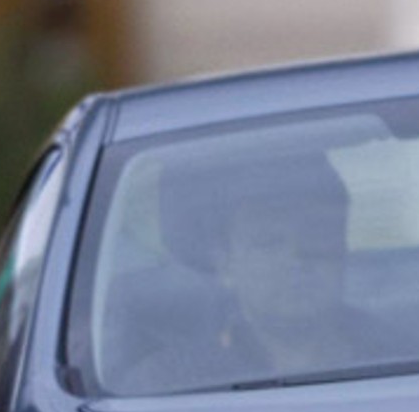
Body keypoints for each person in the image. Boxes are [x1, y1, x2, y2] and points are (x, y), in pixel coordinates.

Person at [109, 150, 375, 392]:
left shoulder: (400, 358)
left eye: (315, 237)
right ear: (225, 265)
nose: (296, 259)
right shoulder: (165, 385)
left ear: (342, 249)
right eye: (268, 243)